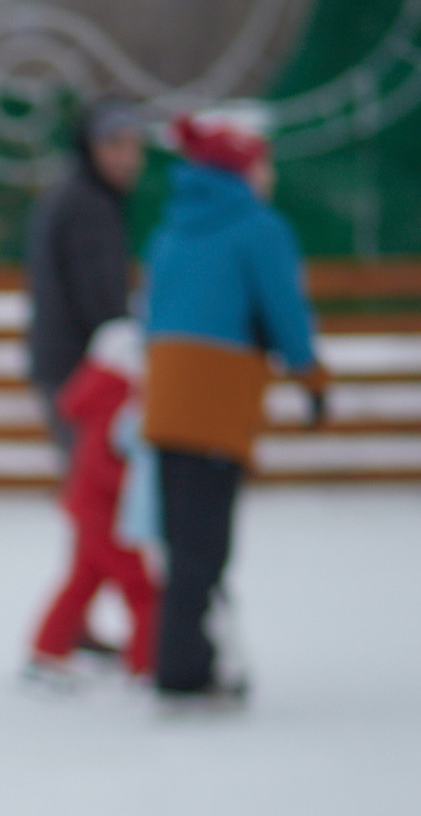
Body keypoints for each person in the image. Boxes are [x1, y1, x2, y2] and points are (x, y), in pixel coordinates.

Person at [140, 106, 327, 706]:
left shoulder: (170, 229)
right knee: (208, 543)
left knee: (180, 540)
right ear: (242, 171)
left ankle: (177, 658)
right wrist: (312, 378)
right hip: (216, 398)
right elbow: (285, 311)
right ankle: (184, 670)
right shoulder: (259, 229)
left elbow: (151, 316)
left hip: (165, 393)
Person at [24, 319, 158, 688]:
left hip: (89, 508)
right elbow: (106, 465)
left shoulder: (99, 392)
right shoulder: (117, 400)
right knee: (142, 591)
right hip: (107, 514)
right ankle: (147, 663)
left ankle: (47, 651)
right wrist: (135, 490)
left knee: (82, 581)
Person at [25, 96, 147, 455]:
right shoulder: (88, 205)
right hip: (78, 366)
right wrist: (123, 353)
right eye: (115, 144)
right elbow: (98, 295)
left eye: (133, 146)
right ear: (90, 147)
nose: (127, 158)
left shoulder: (82, 195)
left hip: (65, 362)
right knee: (95, 479)